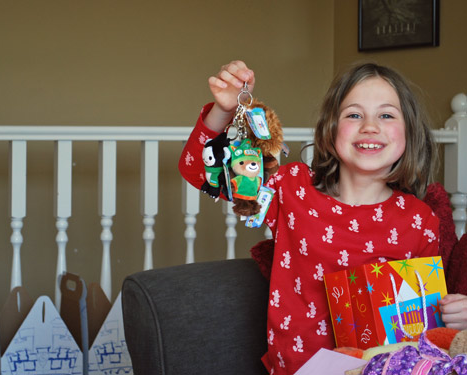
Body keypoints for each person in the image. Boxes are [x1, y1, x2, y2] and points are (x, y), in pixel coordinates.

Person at [178, 60, 455, 374]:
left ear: (409, 132)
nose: (370, 126)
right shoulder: (291, 188)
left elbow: (424, 327)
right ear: (331, 128)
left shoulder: (421, 222)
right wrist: (223, 110)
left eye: (387, 115)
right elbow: (197, 170)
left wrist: (452, 313)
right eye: (353, 114)